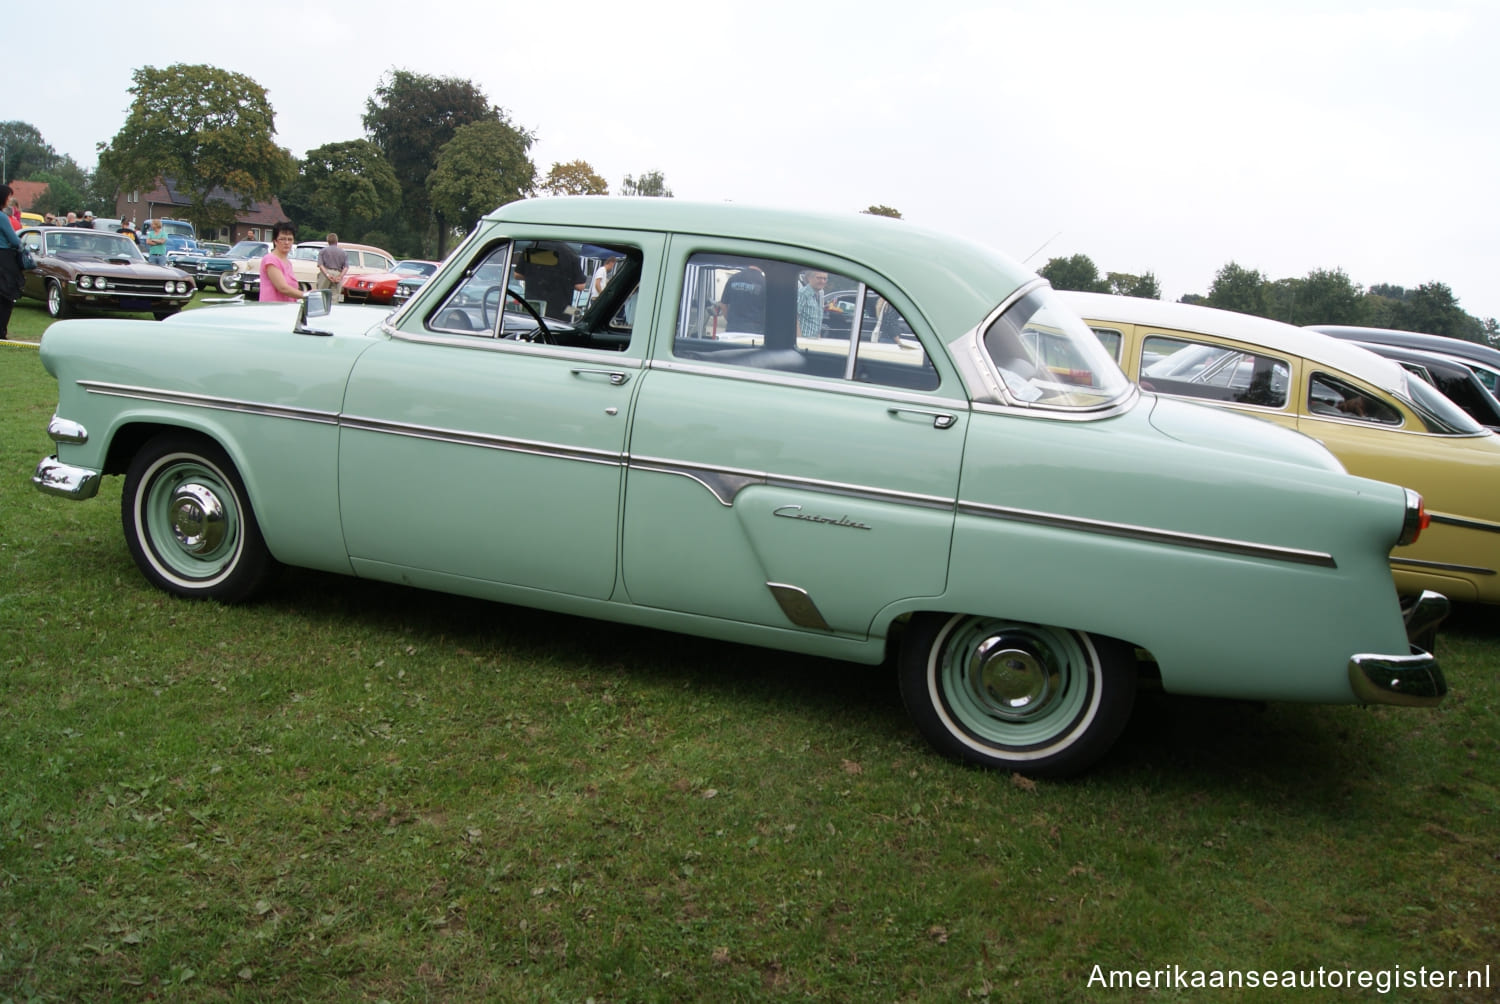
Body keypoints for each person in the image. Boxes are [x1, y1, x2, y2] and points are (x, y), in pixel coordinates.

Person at [0, 185, 23, 340]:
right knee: (6, 296)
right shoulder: (2, 217)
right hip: (4, 258)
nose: (10, 201)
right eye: (8, 197)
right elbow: (14, 240)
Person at [259, 221, 302, 302]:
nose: (286, 242)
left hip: (287, 308)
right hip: (273, 309)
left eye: (290, 239)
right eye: (282, 239)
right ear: (275, 241)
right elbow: (282, 288)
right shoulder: (270, 259)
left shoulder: (288, 262)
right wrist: (306, 295)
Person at [796, 269, 829, 340]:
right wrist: (800, 340)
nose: (822, 281)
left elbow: (817, 320)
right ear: (809, 278)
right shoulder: (802, 293)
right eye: (819, 278)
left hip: (815, 341)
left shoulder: (821, 293)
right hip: (804, 341)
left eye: (825, 279)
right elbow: (794, 318)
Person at [316, 233, 347, 299]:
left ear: (328, 241)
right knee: (335, 296)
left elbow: (320, 265)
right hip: (337, 273)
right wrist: (340, 276)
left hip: (325, 273)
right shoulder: (343, 252)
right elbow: (346, 267)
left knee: (321, 294)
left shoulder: (322, 251)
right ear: (337, 241)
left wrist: (327, 275)